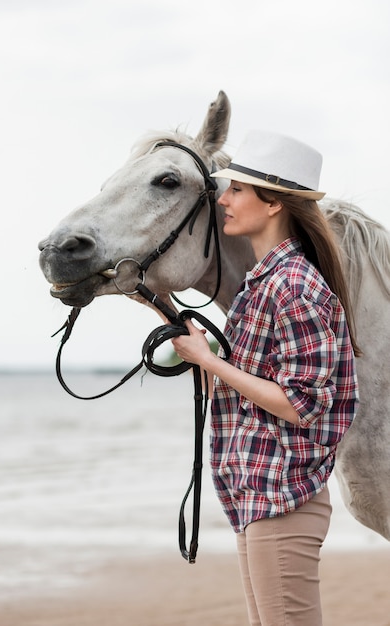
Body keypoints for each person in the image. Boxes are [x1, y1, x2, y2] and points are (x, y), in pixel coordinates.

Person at [171, 129, 360, 626]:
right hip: (261, 494)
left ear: (273, 202)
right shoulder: (264, 283)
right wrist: (185, 336)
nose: (224, 199)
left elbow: (300, 403)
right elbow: (250, 397)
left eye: (236, 189)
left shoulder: (293, 285)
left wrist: (211, 361)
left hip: (283, 499)